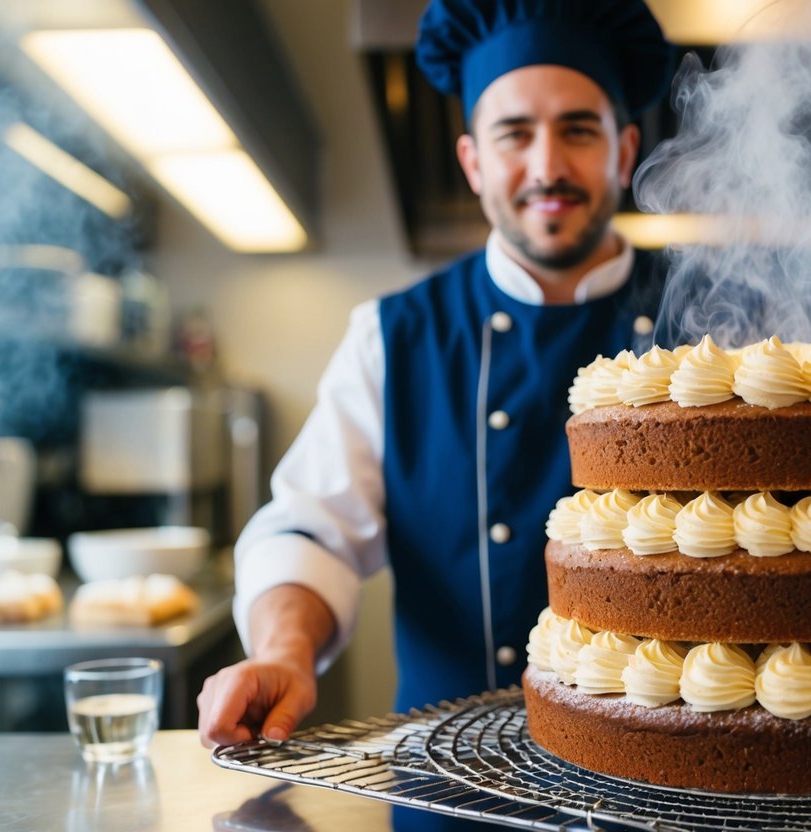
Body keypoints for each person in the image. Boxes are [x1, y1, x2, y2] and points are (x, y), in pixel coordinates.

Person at [199, 1, 672, 826]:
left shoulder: (710, 328)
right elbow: (309, 528)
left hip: (669, 800)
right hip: (453, 808)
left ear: (625, 150)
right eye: (513, 133)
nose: (546, 165)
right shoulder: (395, 338)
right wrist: (283, 651)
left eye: (579, 130)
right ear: (471, 161)